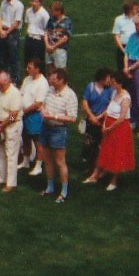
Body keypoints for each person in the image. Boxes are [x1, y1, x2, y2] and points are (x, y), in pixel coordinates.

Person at [85, 72, 135, 190]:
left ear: (120, 84)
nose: (111, 83)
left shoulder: (125, 97)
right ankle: (95, 175)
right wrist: (100, 117)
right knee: (105, 150)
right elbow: (109, 109)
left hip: (119, 128)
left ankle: (114, 180)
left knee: (117, 153)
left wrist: (109, 128)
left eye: (114, 82)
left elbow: (122, 117)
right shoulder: (114, 93)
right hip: (109, 126)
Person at [39, 67, 76, 202]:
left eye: (53, 79)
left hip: (58, 130)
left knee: (60, 161)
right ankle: (50, 187)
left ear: (61, 80)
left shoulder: (70, 95)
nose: (50, 81)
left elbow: (72, 118)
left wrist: (53, 116)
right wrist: (43, 111)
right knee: (47, 159)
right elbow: (43, 104)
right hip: (46, 127)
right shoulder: (50, 90)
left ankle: (64, 191)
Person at [0, 71, 25, 191]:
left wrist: (2, 125)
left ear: (7, 81)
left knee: (11, 153)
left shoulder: (15, 94)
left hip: (11, 126)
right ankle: (1, 178)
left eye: (1, 84)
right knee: (0, 153)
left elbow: (13, 115)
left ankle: (10, 183)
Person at [79, 68, 114, 169]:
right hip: (91, 119)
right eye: (108, 78)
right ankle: (88, 161)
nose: (110, 81)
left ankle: (96, 164)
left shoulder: (110, 90)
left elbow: (110, 105)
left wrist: (99, 117)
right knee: (89, 141)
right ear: (101, 78)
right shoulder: (90, 87)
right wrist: (91, 116)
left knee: (100, 143)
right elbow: (84, 102)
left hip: (102, 120)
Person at [19, 59, 48, 176]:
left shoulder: (42, 83)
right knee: (25, 137)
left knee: (37, 141)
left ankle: (38, 166)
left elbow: (38, 103)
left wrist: (24, 111)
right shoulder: (27, 79)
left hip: (34, 115)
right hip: (24, 114)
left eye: (30, 68)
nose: (27, 69)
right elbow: (21, 94)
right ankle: (26, 161)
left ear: (37, 69)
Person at [0, 0, 24, 83]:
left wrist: (6, 32)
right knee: (1, 58)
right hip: (3, 31)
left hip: (12, 33)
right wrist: (0, 31)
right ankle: (3, 78)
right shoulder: (4, 3)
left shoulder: (19, 5)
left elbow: (16, 23)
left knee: (13, 57)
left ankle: (15, 80)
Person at [22, 0, 49, 72]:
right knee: (27, 61)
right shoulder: (28, 11)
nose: (34, 3)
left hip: (38, 40)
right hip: (29, 38)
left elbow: (46, 29)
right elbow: (27, 23)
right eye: (32, 1)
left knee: (38, 62)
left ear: (40, 3)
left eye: (36, 2)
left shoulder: (44, 14)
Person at [45, 0, 72, 72]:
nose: (50, 13)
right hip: (49, 49)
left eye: (52, 11)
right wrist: (47, 45)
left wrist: (54, 46)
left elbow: (65, 38)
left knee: (60, 72)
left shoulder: (66, 21)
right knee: (49, 70)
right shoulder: (51, 20)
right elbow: (46, 32)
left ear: (59, 11)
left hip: (59, 49)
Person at [111, 0, 139, 66]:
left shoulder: (138, 18)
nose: (138, 10)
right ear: (130, 10)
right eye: (136, 8)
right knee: (122, 71)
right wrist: (123, 50)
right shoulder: (119, 19)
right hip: (123, 48)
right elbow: (116, 36)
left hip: (135, 48)